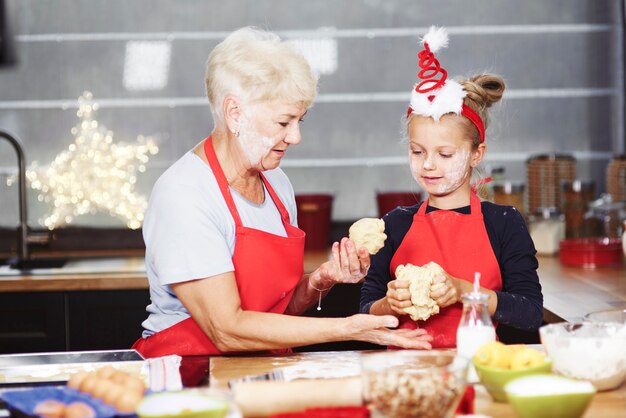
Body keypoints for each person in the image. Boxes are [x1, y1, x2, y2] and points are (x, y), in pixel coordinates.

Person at [132, 27, 433, 357]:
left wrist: (320, 280)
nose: (296, 137)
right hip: (190, 375)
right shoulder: (185, 195)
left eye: (300, 120)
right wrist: (348, 327)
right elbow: (226, 330)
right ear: (235, 114)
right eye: (283, 122)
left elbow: (274, 317)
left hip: (262, 366)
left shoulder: (276, 184)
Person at [359, 27, 543, 348]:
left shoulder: (503, 223)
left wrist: (462, 290)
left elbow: (530, 312)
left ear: (476, 155)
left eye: (445, 154)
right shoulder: (394, 224)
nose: (428, 164)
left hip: (479, 365)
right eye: (418, 151)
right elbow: (365, 307)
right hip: (405, 371)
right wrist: (390, 304)